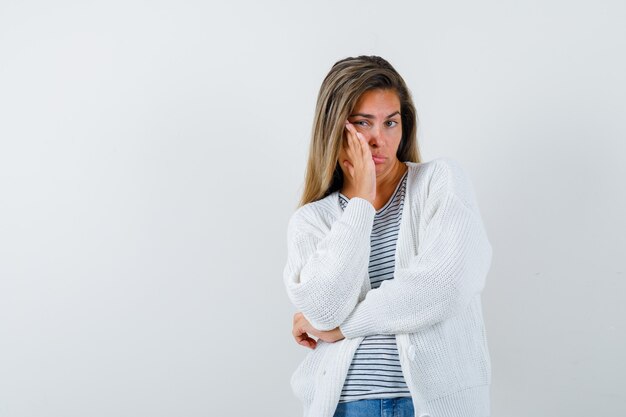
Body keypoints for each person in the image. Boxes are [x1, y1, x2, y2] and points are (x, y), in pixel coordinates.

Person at [282, 55, 493, 417]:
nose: (379, 139)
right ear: (335, 130)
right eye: (363, 123)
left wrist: (343, 327)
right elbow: (323, 309)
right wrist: (361, 202)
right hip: (345, 406)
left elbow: (445, 286)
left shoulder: (439, 183)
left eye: (390, 122)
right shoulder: (311, 220)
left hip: (432, 404)